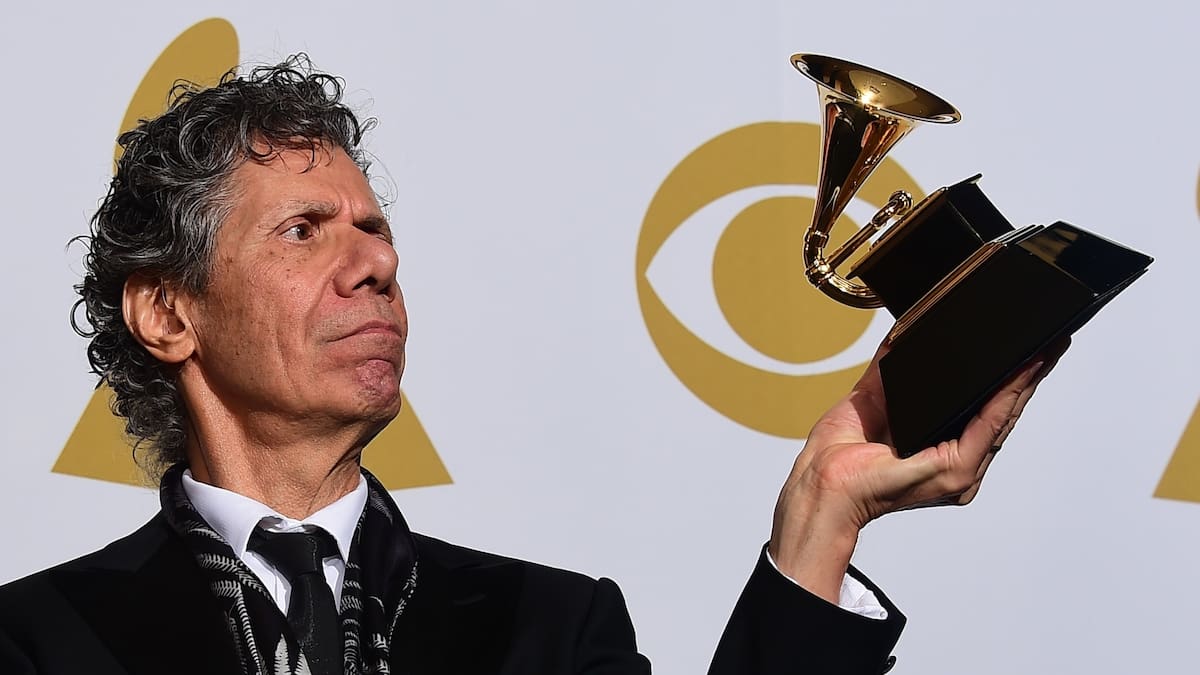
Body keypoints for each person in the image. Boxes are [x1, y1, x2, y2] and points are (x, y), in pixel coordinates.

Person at [0, 56, 1062, 675]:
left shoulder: (552, 631)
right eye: (303, 231)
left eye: (374, 229)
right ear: (168, 314)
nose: (374, 262)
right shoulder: (35, 640)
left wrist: (824, 516)